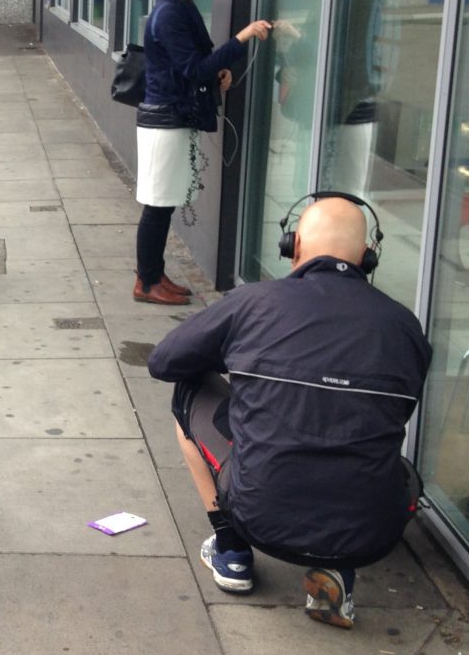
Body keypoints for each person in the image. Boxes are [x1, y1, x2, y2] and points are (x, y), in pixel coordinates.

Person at [147, 195, 432, 628]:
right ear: (367, 257)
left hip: (259, 513)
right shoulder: (404, 326)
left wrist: (242, 359)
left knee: (187, 390)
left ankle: (232, 552)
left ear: (292, 245)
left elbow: (164, 362)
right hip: (372, 530)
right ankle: (337, 571)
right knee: (385, 448)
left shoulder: (253, 303)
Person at [134, 0, 271, 306]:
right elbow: (193, 69)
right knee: (158, 203)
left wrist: (219, 71)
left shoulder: (181, 6)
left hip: (173, 116)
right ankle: (146, 282)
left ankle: (153, 273)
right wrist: (241, 39)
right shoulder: (170, 14)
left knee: (164, 203)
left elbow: (199, 63)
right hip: (165, 121)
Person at [275, 0, 382, 197]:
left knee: (347, 192)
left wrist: (298, 37)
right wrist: (287, 67)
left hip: (350, 110)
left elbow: (353, 64)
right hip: (321, 106)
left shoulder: (365, 4)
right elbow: (310, 53)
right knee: (312, 186)